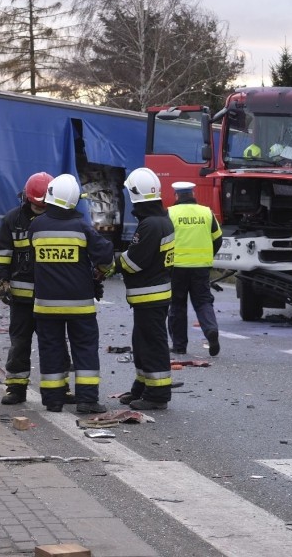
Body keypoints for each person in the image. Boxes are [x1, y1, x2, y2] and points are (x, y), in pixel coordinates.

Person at [28, 173, 114, 414]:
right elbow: (105, 256)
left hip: (45, 306)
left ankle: (53, 400)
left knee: (51, 349)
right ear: (74, 200)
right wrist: (100, 271)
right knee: (84, 349)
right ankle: (87, 400)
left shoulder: (36, 226)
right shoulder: (82, 228)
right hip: (80, 307)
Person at [0, 172, 73, 407]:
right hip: (22, 300)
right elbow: (2, 255)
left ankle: (60, 388)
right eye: (37, 205)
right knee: (19, 344)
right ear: (27, 199)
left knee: (55, 343)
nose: (40, 209)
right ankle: (16, 389)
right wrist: (2, 280)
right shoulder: (12, 220)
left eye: (44, 205)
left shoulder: (57, 218)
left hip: (51, 297)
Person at [114, 168, 175, 410]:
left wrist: (113, 263)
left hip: (150, 296)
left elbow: (133, 262)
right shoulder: (160, 220)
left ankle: (157, 396)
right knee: (142, 345)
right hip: (151, 297)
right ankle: (142, 388)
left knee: (152, 346)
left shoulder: (149, 225)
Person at [167, 181, 222, 357]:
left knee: (177, 305)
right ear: (193, 195)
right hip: (201, 267)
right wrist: (207, 255)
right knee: (203, 302)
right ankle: (211, 330)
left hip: (177, 267)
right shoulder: (206, 213)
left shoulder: (170, 213)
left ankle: (179, 346)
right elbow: (218, 238)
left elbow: (163, 240)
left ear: (176, 196)